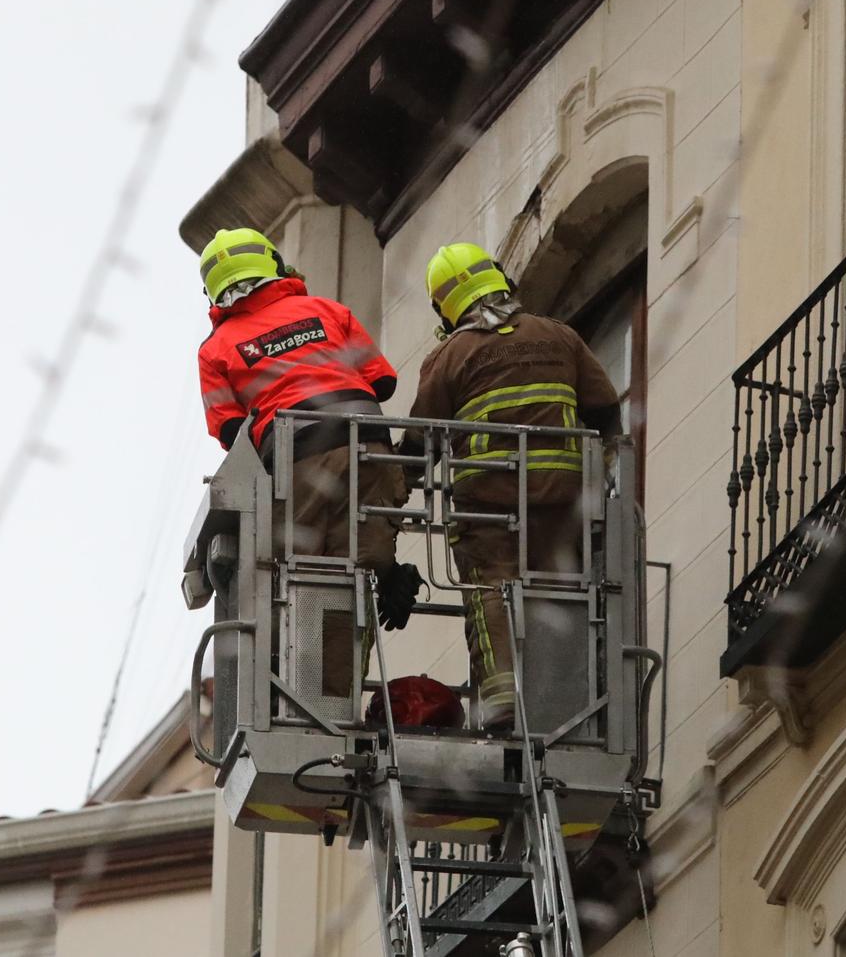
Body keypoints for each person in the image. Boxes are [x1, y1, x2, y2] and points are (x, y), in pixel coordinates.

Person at [404, 242, 621, 729]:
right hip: (563, 502)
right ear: (499, 278)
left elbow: (422, 440)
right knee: (564, 592)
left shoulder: (450, 355)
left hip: (491, 508)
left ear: (445, 305)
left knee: (490, 592)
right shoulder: (559, 336)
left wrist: (391, 494)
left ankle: (501, 700)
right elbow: (605, 409)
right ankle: (569, 702)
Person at [195, 227, 418, 700]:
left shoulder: (216, 349)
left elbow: (233, 435)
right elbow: (382, 383)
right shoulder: (327, 310)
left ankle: (311, 704)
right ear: (273, 265)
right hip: (369, 442)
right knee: (357, 561)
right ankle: (384, 568)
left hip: (299, 456)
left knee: (296, 576)